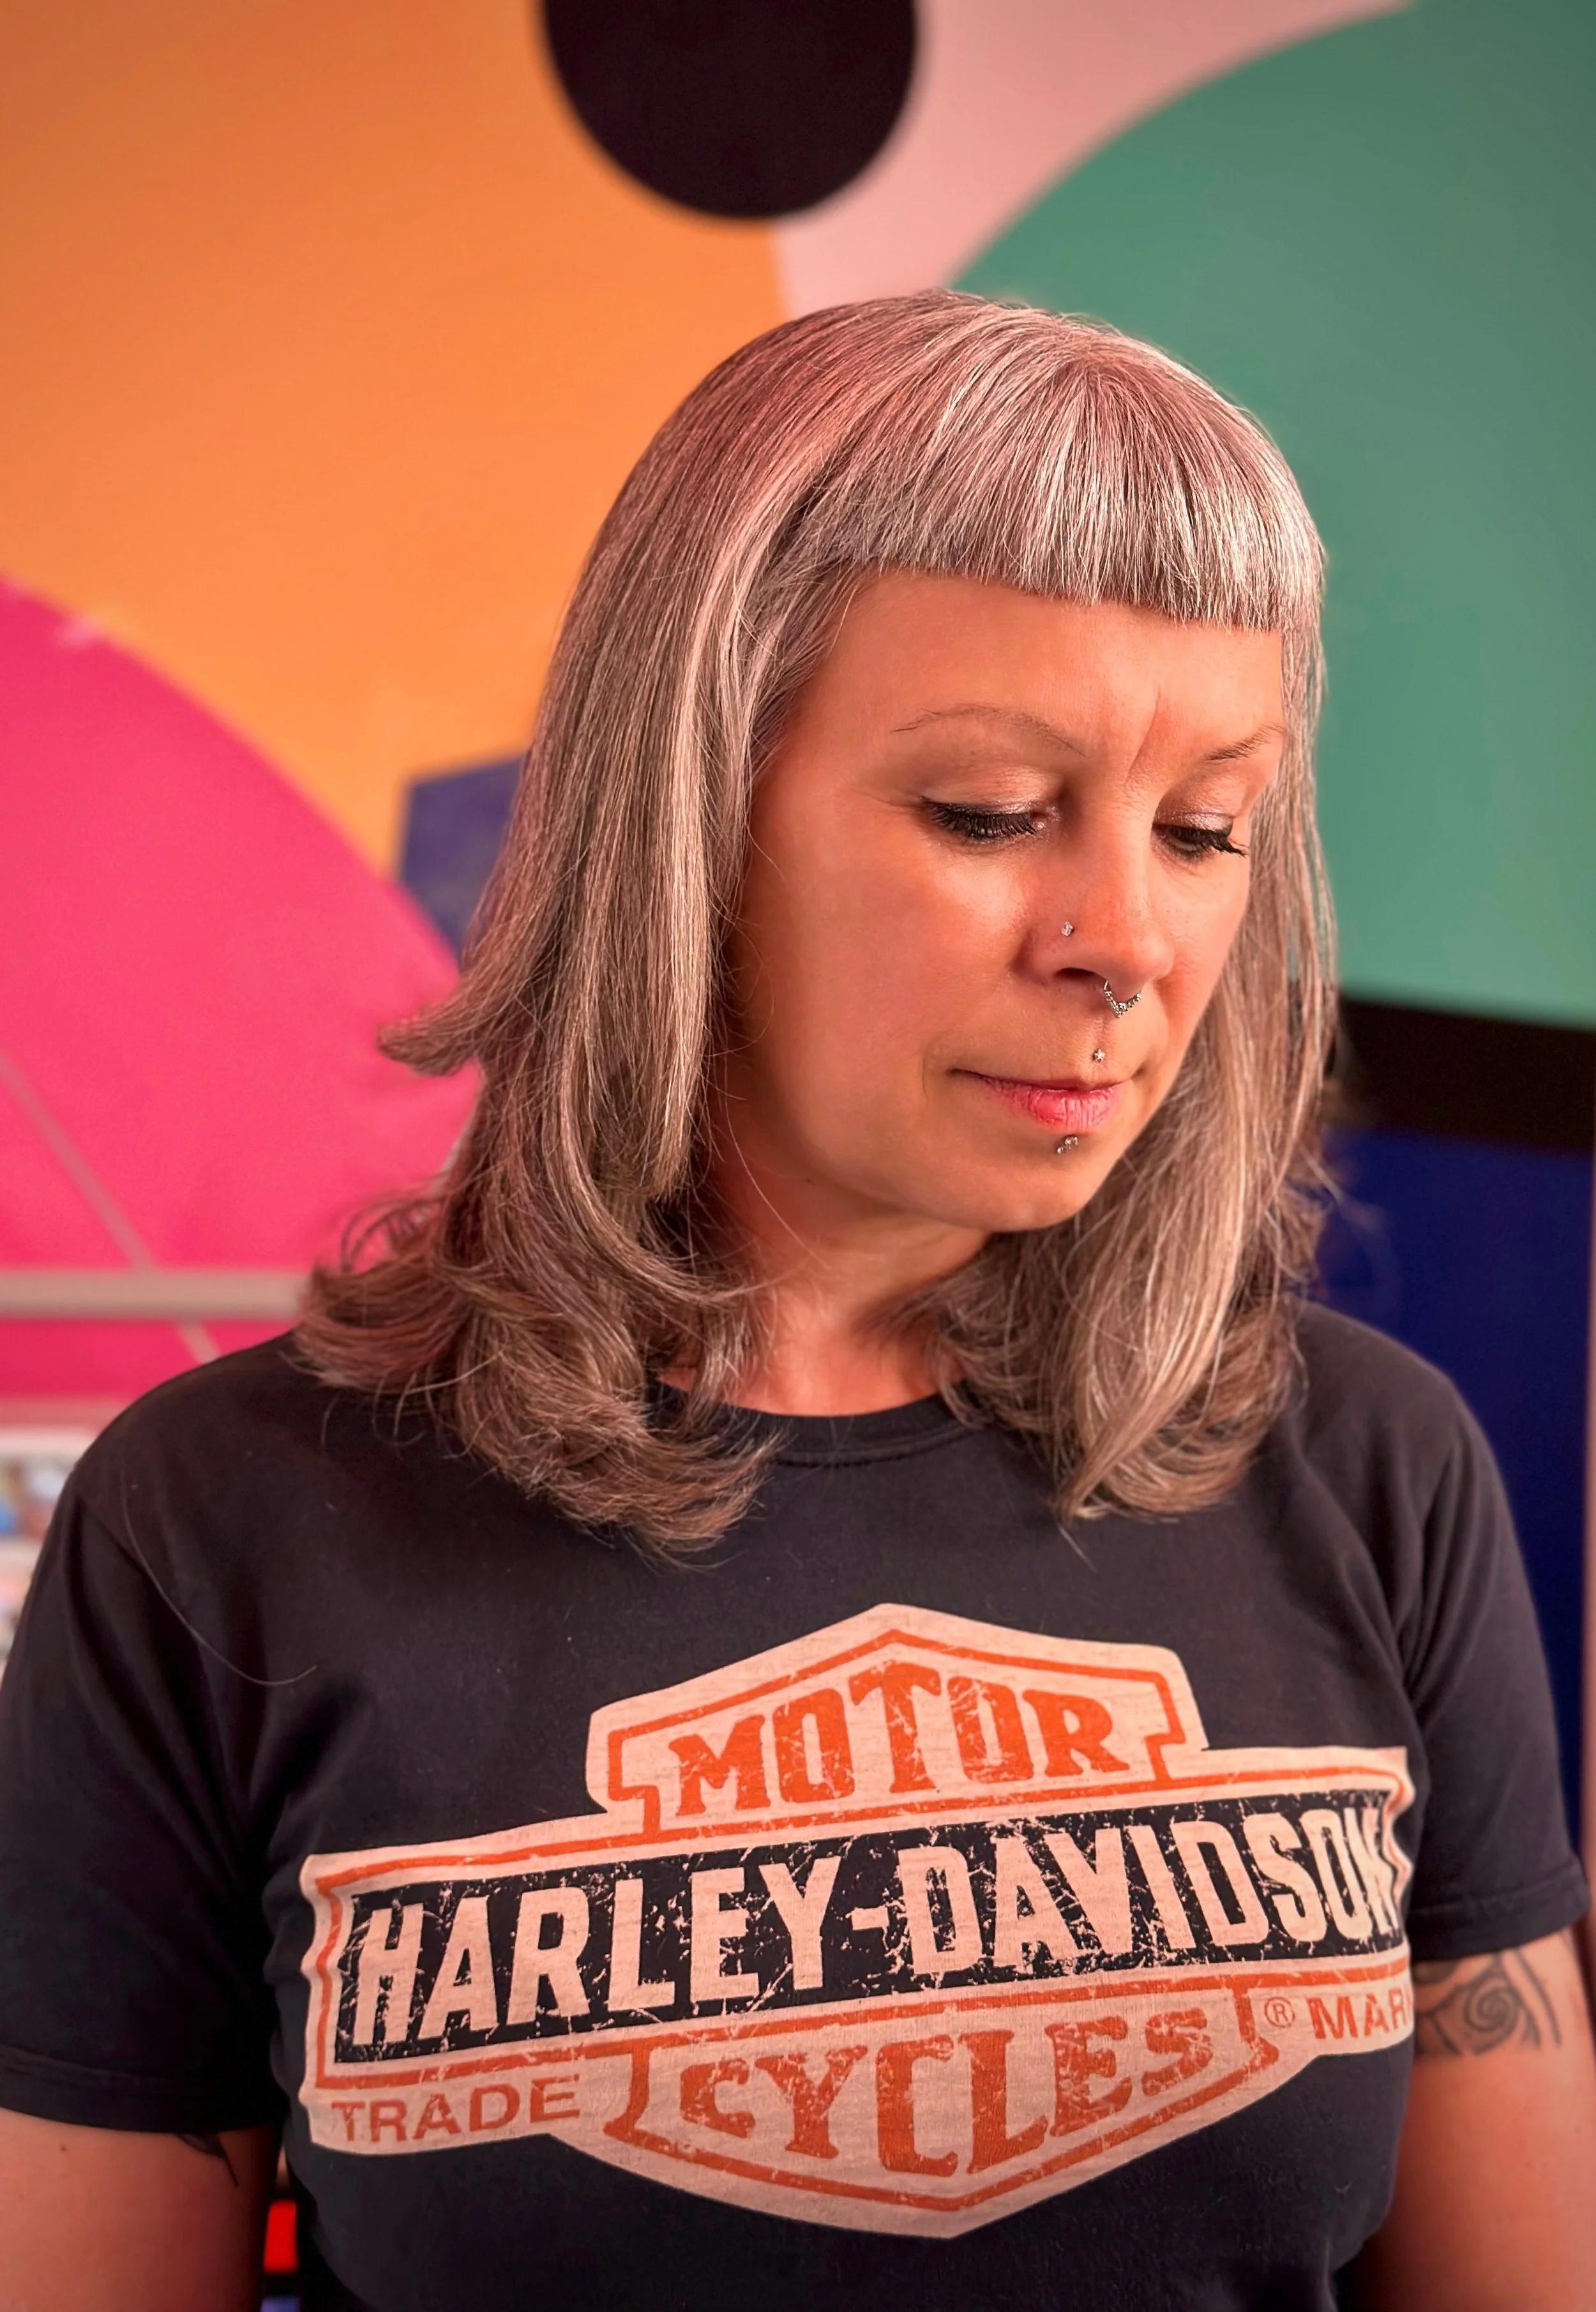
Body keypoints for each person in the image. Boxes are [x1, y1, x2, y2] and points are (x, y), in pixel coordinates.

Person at [0, 293, 1591, 2312]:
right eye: (991, 812)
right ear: (691, 818)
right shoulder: (213, 1528)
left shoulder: (1376, 1471)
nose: (1124, 942)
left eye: (1207, 830)